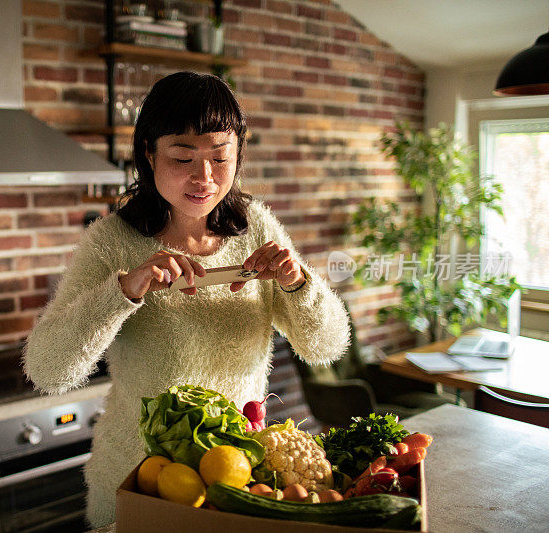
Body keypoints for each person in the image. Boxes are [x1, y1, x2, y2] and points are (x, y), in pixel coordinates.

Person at [23, 71, 350, 528]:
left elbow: (326, 346)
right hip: (139, 482)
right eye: (183, 157)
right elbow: (48, 371)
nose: (205, 178)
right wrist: (123, 292)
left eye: (221, 158)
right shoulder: (111, 242)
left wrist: (299, 284)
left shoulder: (254, 225)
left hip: (237, 480)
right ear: (148, 154)